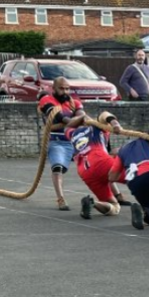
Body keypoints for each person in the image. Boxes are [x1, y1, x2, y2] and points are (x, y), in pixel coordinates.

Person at [64, 111, 125, 219]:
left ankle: (93, 203)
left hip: (85, 171)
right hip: (100, 160)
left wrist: (82, 117)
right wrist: (115, 124)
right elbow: (105, 114)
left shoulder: (72, 133)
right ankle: (148, 210)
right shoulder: (97, 127)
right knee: (138, 179)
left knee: (115, 207)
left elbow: (68, 126)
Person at [37, 77, 86, 210]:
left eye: (67, 88)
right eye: (61, 88)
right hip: (57, 140)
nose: (65, 91)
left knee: (98, 163)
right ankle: (61, 199)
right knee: (57, 168)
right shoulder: (46, 100)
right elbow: (58, 116)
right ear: (54, 89)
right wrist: (73, 121)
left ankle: (116, 195)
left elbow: (82, 116)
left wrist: (74, 120)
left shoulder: (74, 102)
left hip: (76, 140)